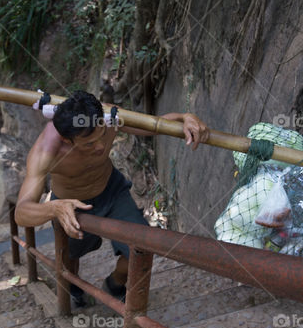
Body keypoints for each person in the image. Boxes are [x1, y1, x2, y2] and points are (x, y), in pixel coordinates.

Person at [14, 90, 210, 307]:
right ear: (66, 140)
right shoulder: (46, 150)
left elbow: (152, 125)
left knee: (142, 248)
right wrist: (55, 208)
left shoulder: (107, 116)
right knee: (69, 258)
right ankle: (72, 289)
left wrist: (184, 117)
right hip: (71, 205)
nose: (100, 147)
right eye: (89, 144)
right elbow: (21, 213)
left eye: (102, 136)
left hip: (112, 191)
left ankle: (115, 283)